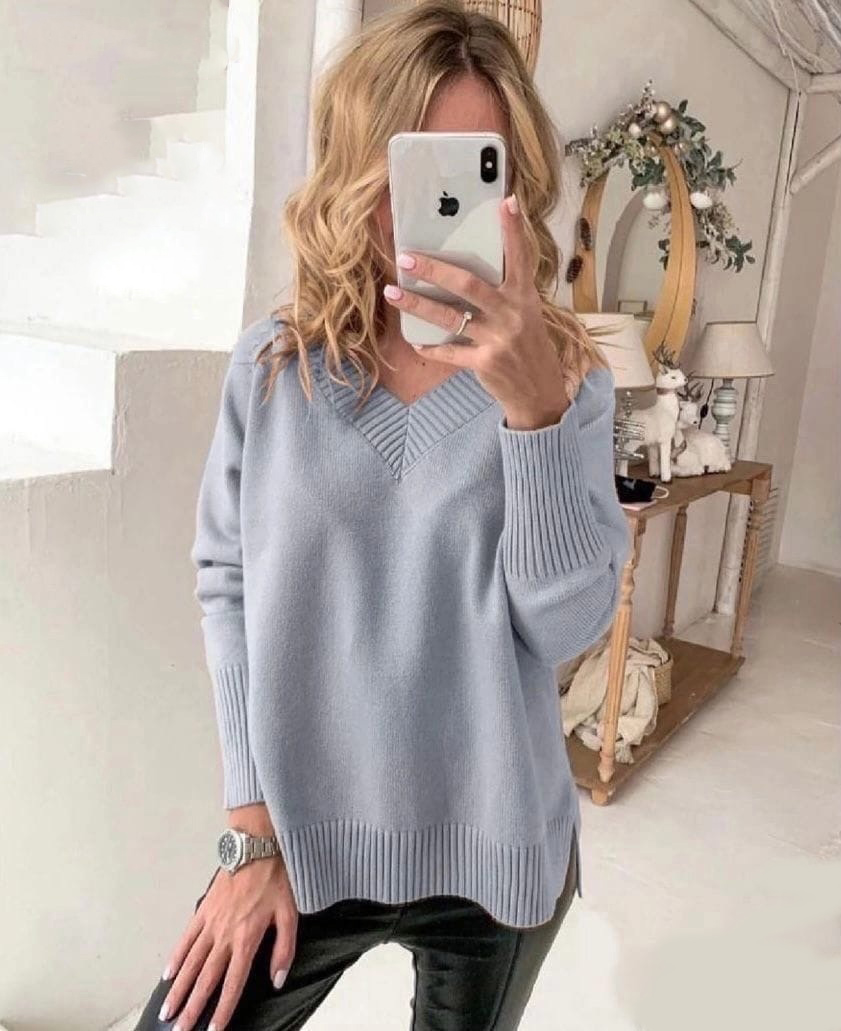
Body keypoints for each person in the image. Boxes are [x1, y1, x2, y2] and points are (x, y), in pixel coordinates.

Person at [134, 2, 631, 1029]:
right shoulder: (273, 367)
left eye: (476, 168)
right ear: (356, 173)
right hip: (301, 844)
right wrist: (246, 833)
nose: (439, 204)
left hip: (497, 858)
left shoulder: (569, 381)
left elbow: (564, 629)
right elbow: (227, 584)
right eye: (415, 164)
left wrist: (532, 414)